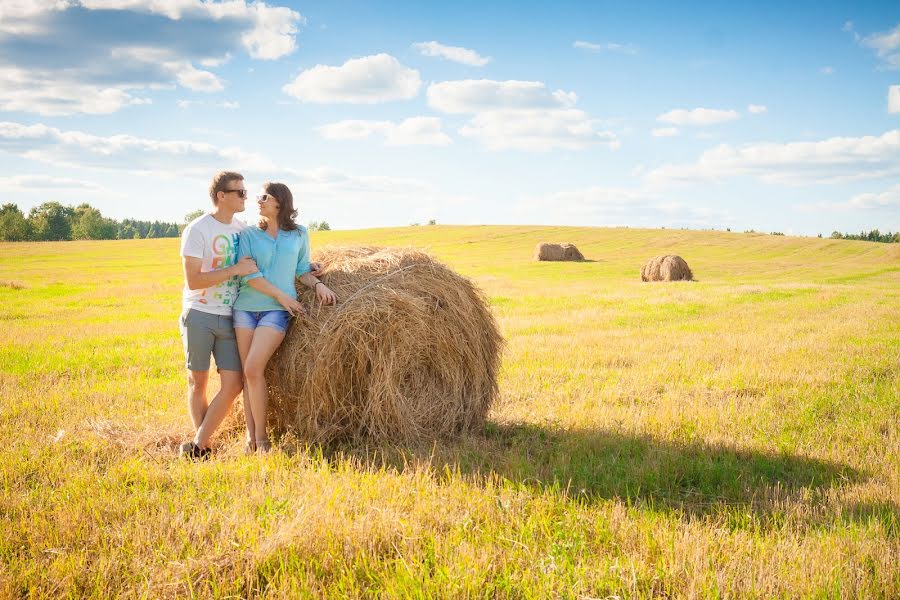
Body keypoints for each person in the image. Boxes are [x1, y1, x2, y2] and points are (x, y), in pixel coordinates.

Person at [233, 182, 336, 453]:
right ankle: (250, 438)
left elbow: (302, 269)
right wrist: (284, 297)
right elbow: (250, 276)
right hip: (246, 307)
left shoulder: (299, 233)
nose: (258, 200)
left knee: (254, 368)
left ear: (280, 201)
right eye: (258, 196)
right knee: (248, 374)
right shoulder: (249, 234)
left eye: (264, 196)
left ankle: (262, 438)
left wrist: (318, 285)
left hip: (276, 312)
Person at [178, 171, 256, 459]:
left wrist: (306, 266)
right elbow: (193, 281)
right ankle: (204, 449)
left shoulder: (242, 229)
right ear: (221, 196)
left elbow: (267, 253)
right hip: (199, 313)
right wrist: (234, 270)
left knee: (233, 384)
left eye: (245, 192)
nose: (245, 197)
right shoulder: (198, 229)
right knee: (197, 382)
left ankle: (198, 442)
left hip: (231, 316)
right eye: (239, 192)